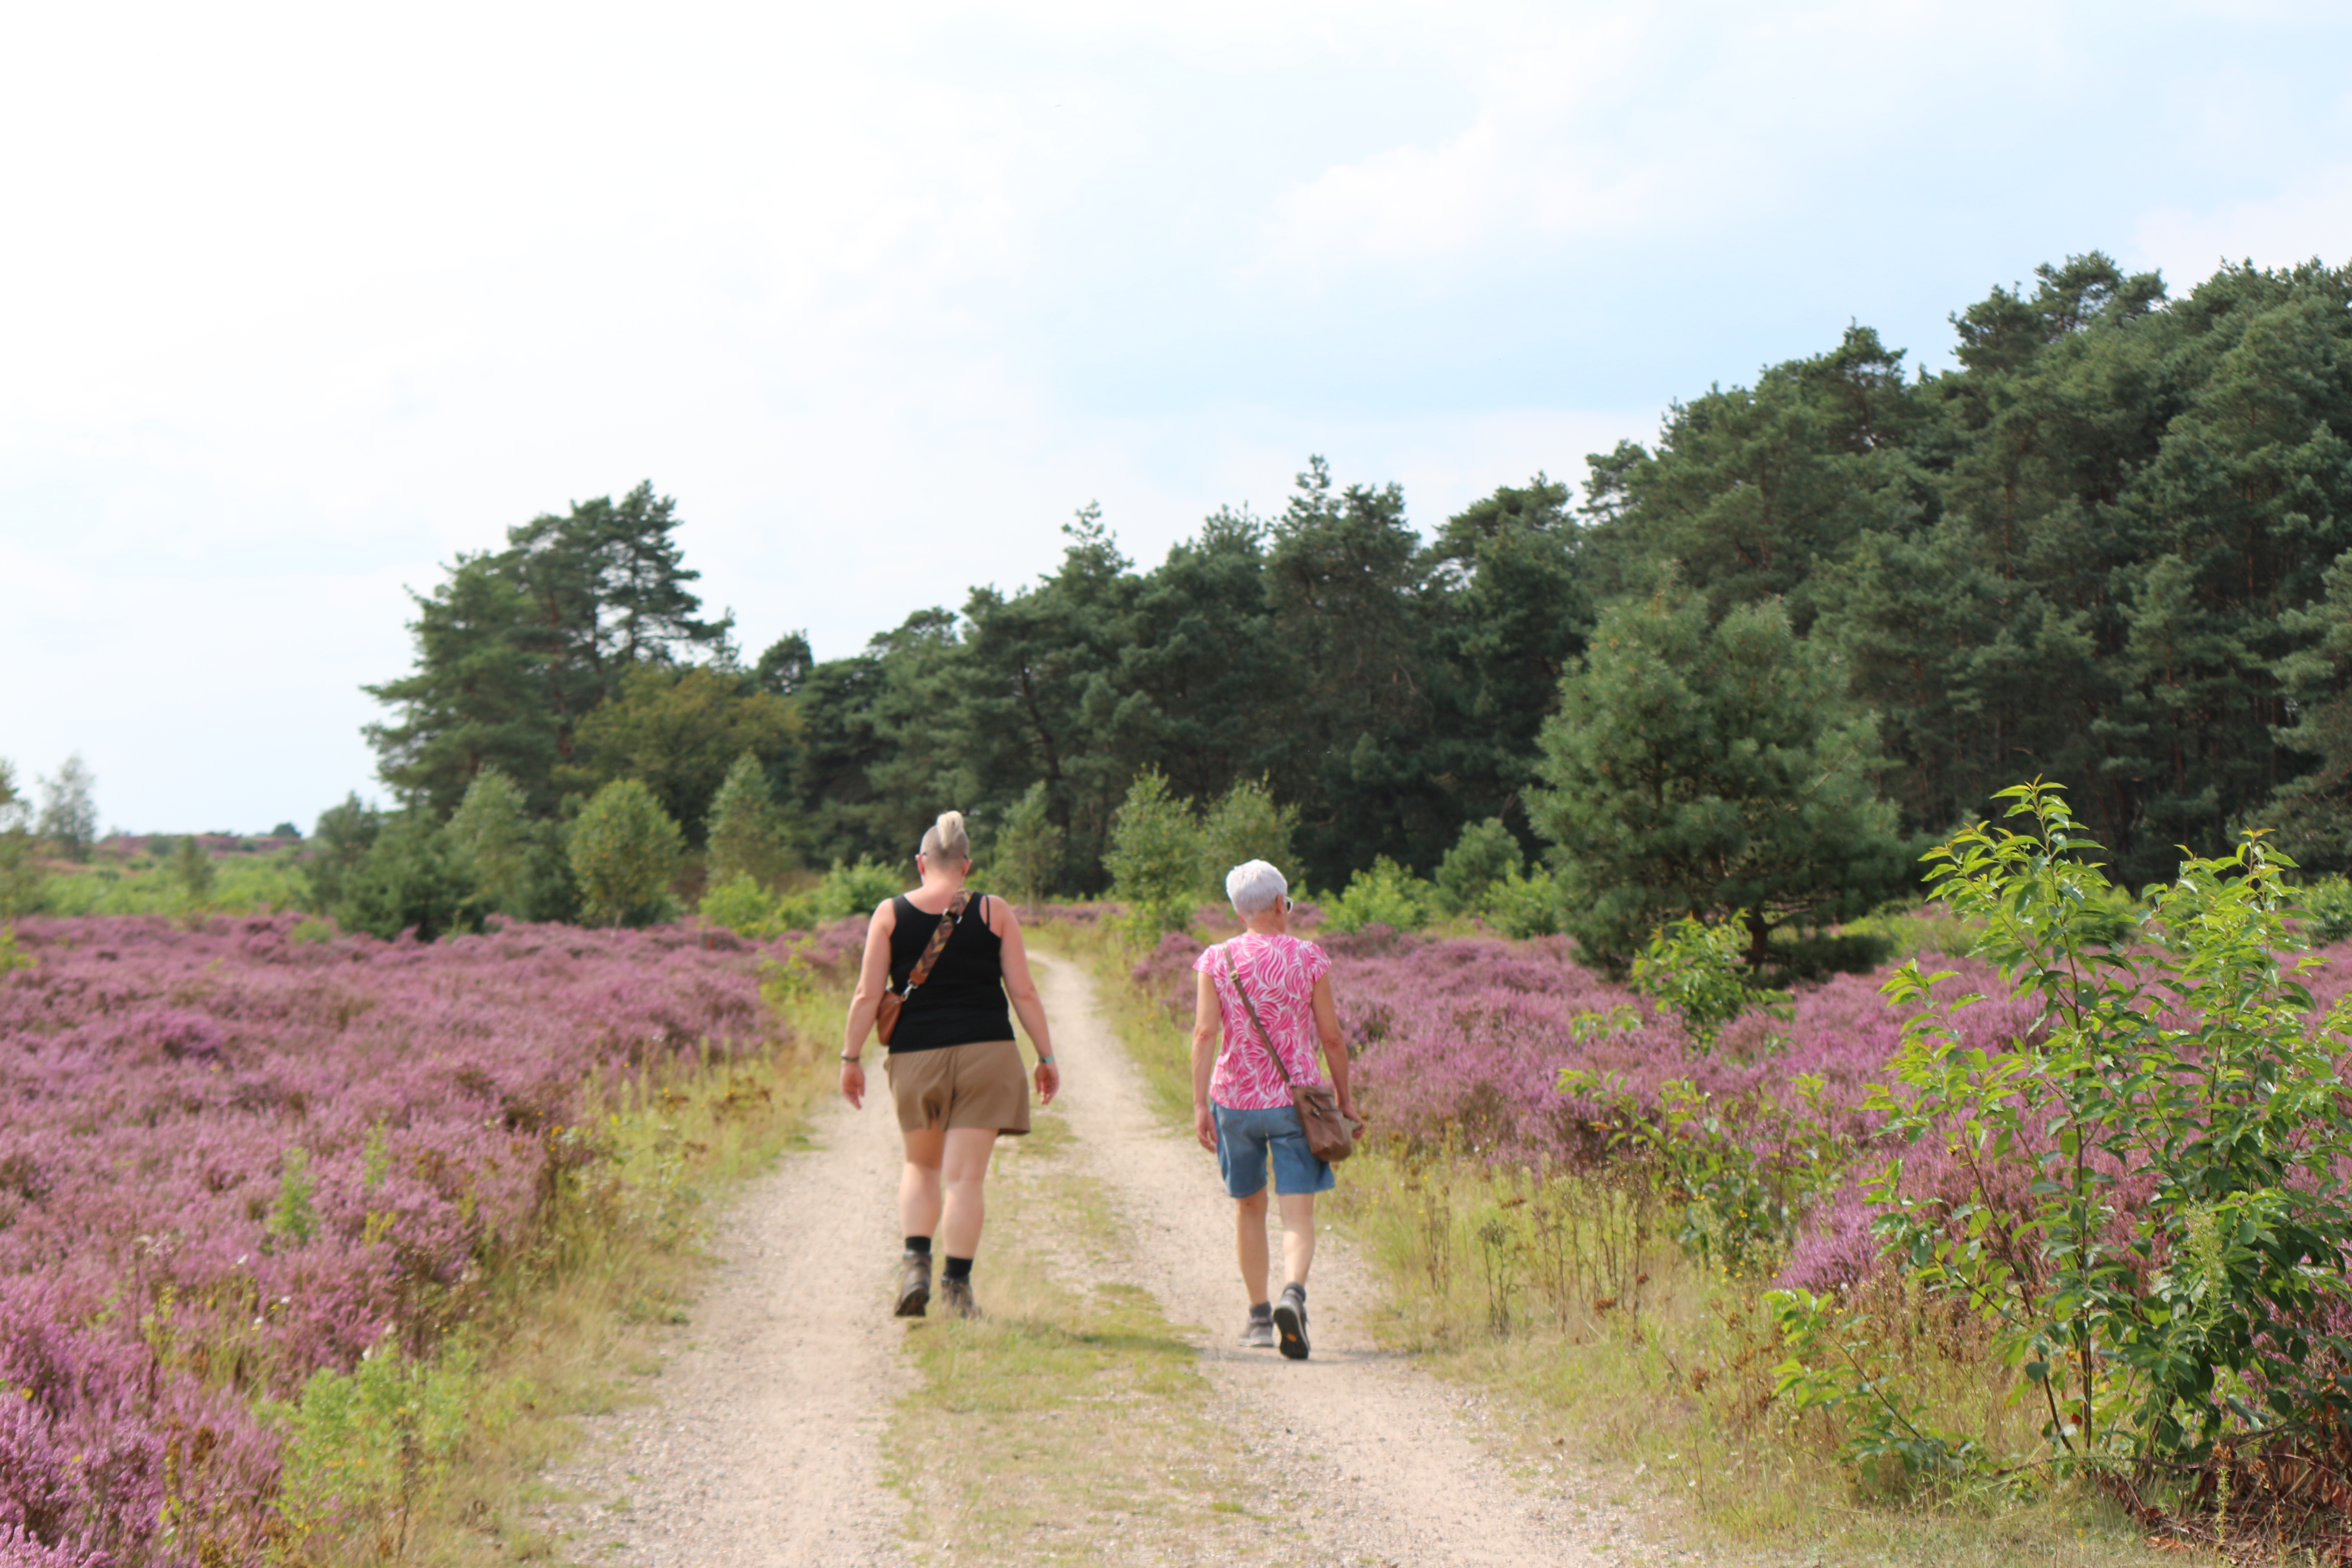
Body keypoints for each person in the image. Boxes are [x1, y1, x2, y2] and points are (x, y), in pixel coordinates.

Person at [841, 811, 1058, 1320]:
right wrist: (1046, 1056)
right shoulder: (994, 911)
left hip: (916, 1056)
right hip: (989, 1054)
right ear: (967, 866)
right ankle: (957, 1292)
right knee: (965, 1180)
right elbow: (1024, 991)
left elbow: (867, 995)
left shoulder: (889, 912)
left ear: (920, 863)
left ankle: (915, 1268)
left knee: (921, 1165)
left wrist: (850, 1059)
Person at [1191, 859, 1361, 1360]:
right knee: (1298, 1211)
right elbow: (1332, 1037)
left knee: (1249, 1208)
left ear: (1240, 911)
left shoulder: (1217, 959)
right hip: (1296, 1103)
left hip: (1235, 1101)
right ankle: (1294, 1295)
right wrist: (1345, 1099)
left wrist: (1199, 1104)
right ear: (1277, 905)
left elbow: (1204, 1033)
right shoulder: (1309, 957)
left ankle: (1260, 1319)